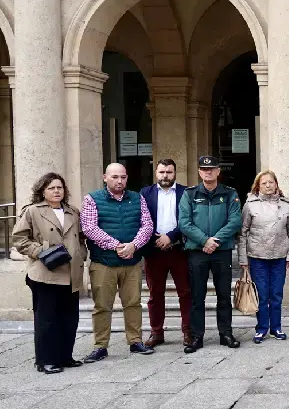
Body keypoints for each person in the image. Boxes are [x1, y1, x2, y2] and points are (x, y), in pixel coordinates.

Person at [80, 163, 155, 362]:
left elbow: (147, 225)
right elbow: (89, 228)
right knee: (102, 305)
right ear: (105, 177)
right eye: (114, 177)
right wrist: (117, 246)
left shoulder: (137, 198)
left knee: (133, 303)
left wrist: (134, 245)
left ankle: (135, 341)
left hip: (132, 262)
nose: (119, 181)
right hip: (104, 263)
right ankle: (100, 346)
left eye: (122, 177)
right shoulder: (92, 199)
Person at [12, 173, 86, 374]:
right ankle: (45, 360)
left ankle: (65, 357)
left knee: (70, 318)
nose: (56, 191)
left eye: (59, 188)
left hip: (71, 274)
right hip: (44, 273)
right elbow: (19, 239)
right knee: (46, 319)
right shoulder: (32, 212)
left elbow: (80, 239)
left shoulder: (73, 212)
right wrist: (41, 252)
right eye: (51, 188)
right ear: (43, 191)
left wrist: (81, 254)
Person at [179, 155, 243, 353]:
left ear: (218, 172)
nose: (208, 172)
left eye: (212, 169)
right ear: (199, 172)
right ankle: (197, 336)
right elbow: (184, 222)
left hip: (221, 251)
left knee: (224, 295)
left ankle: (226, 333)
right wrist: (204, 240)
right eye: (204, 169)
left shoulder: (230, 194)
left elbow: (235, 221)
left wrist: (214, 241)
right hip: (197, 252)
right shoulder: (189, 195)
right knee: (197, 297)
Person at [239, 170, 289, 344]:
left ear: (276, 184)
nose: (268, 186)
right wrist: (243, 260)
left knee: (277, 294)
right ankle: (261, 328)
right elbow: (242, 234)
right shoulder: (250, 205)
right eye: (264, 183)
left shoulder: (286, 205)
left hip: (279, 257)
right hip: (257, 257)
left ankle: (276, 327)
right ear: (258, 185)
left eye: (271, 182)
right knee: (262, 295)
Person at [139, 159, 190, 348]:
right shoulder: (145, 193)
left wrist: (170, 237)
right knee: (155, 294)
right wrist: (157, 239)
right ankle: (156, 333)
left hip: (180, 250)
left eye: (169, 172)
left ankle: (187, 331)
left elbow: (188, 220)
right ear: (156, 173)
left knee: (185, 292)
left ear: (175, 173)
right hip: (154, 251)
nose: (165, 176)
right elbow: (141, 220)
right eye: (162, 172)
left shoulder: (186, 192)